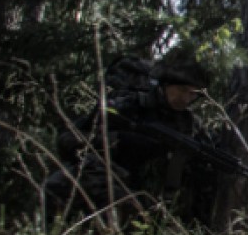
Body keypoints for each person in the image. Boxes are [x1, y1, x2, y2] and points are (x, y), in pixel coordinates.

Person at [45, 48, 215, 223]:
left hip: (156, 202)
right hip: (112, 184)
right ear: (164, 85)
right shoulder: (129, 105)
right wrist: (118, 141)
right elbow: (69, 140)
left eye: (193, 94)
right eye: (181, 89)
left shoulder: (190, 125)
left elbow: (205, 171)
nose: (186, 98)